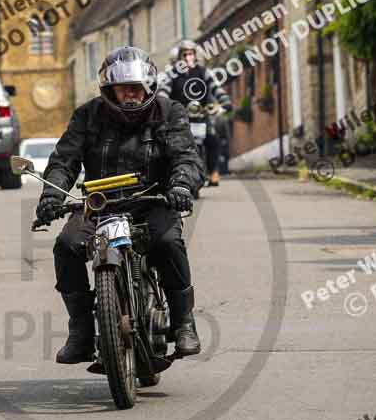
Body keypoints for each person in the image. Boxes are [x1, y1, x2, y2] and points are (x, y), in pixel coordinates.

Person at [35, 46, 205, 365]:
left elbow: (186, 156)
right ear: (109, 90)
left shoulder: (169, 112)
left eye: (136, 88)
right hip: (100, 204)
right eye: (123, 88)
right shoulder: (87, 116)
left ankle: (184, 322)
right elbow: (64, 160)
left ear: (148, 87)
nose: (130, 95)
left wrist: (181, 185)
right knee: (67, 245)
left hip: (152, 201)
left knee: (168, 243)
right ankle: (81, 331)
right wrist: (51, 195)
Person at [159, 39, 232, 187]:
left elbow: (216, 88)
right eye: (184, 54)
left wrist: (224, 101)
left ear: (195, 55)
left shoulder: (204, 72)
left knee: (213, 139)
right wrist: (162, 104)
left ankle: (213, 171)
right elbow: (163, 92)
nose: (188, 57)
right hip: (180, 116)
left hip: (202, 113)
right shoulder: (171, 75)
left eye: (191, 54)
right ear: (179, 57)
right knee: (172, 143)